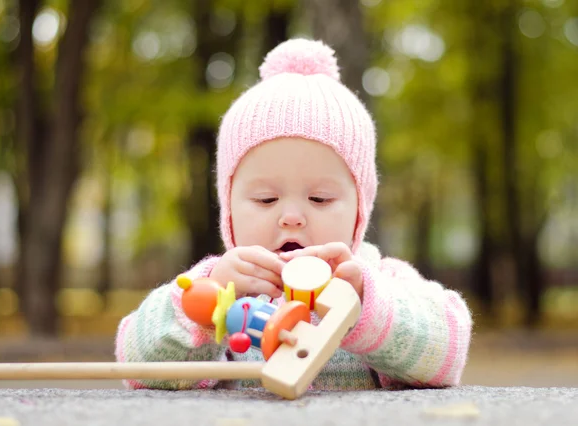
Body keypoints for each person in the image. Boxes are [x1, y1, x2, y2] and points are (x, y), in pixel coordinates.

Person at [114, 38, 473, 391]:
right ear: (229, 209)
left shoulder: (378, 281)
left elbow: (446, 354)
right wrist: (206, 302)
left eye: (319, 198)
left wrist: (367, 302)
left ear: (360, 209)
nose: (291, 217)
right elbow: (137, 364)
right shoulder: (223, 286)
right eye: (266, 199)